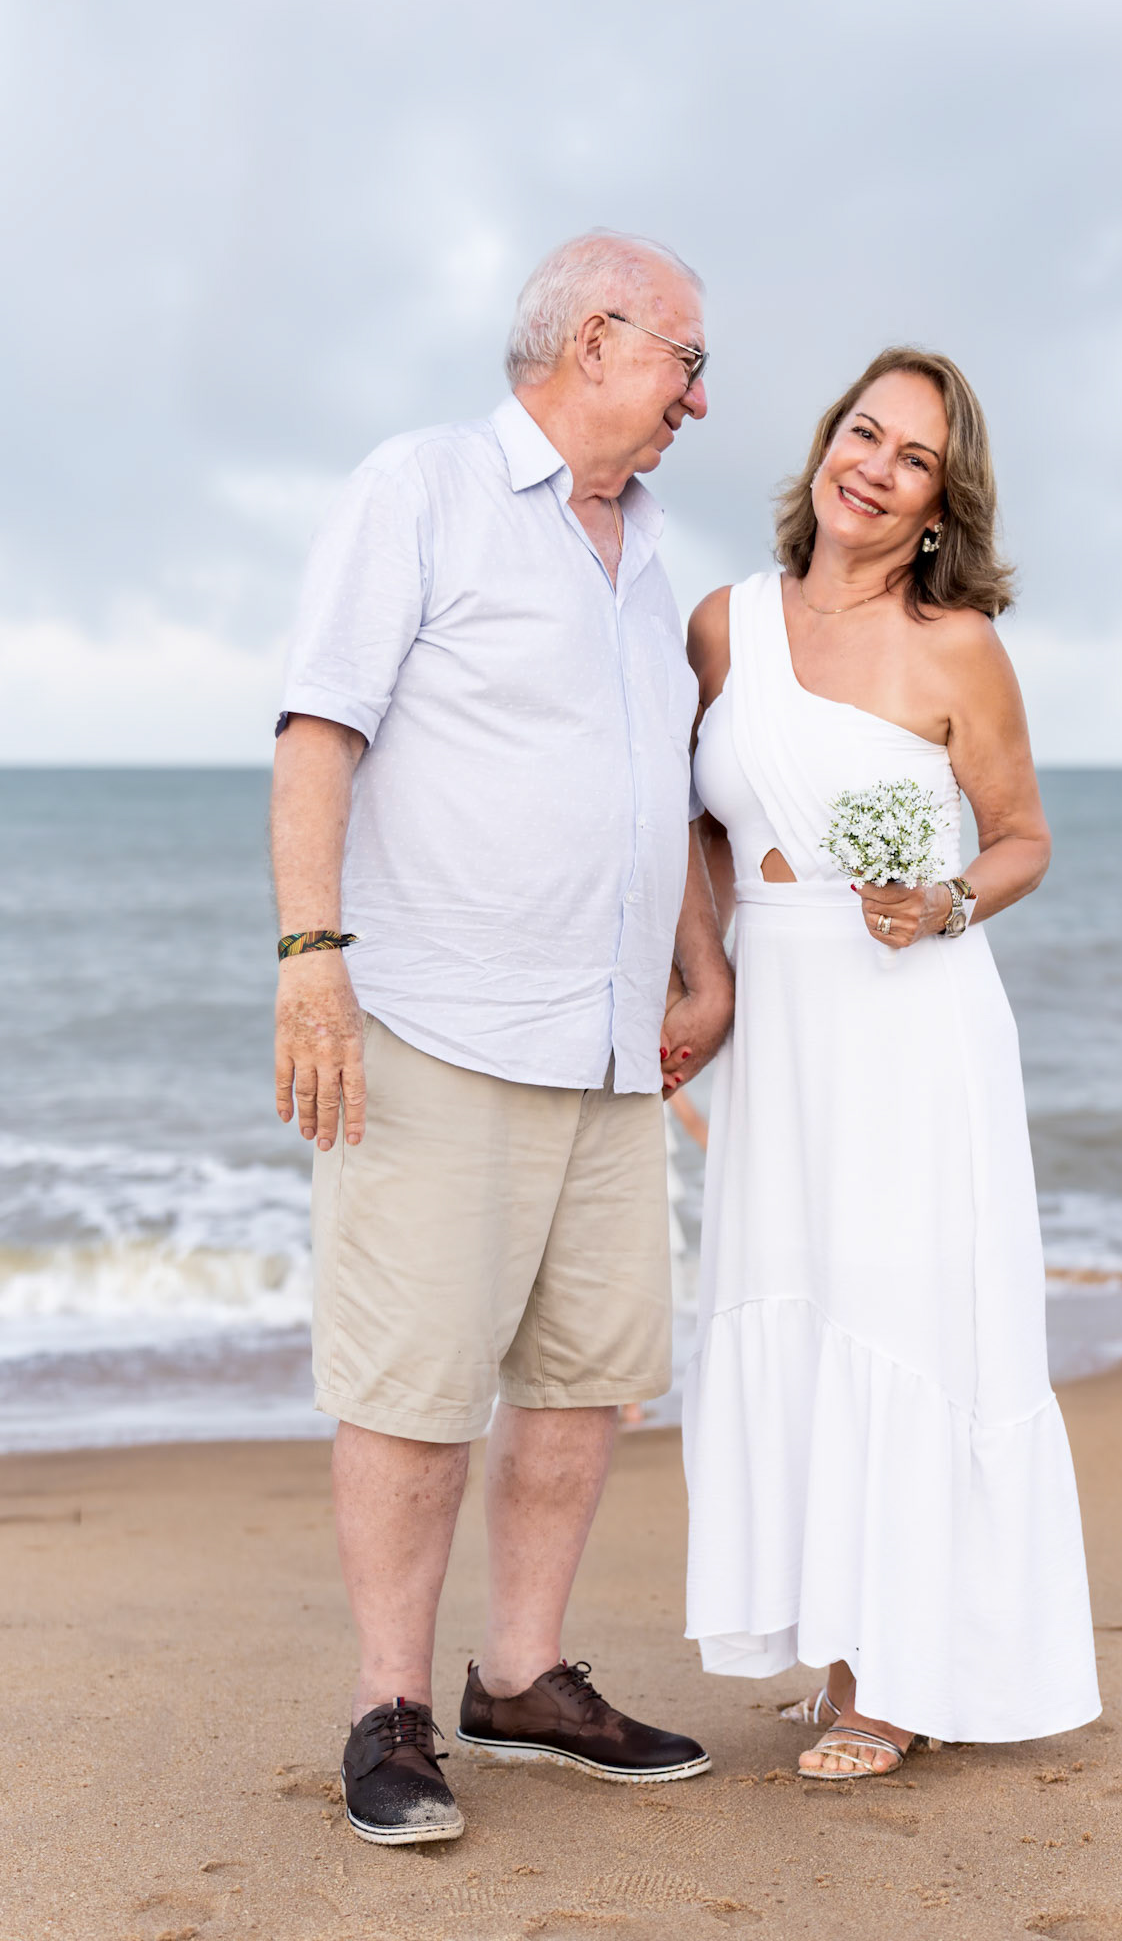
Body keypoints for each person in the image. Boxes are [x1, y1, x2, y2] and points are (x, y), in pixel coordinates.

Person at [271, 231, 734, 1845]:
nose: (696, 398)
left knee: (583, 1378)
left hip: (606, 1049)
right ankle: (388, 1708)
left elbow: (659, 793)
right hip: (441, 1022)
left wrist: (698, 969)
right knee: (413, 1385)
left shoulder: (650, 554)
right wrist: (310, 958)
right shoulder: (423, 487)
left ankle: (522, 1676)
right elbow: (319, 728)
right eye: (685, 361)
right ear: (596, 340)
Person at [682, 348, 1101, 1778]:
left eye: (913, 458)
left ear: (937, 505)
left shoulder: (956, 644)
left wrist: (946, 904)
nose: (875, 466)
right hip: (781, 1025)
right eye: (863, 433)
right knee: (798, 1306)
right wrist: (702, 974)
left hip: (912, 1022)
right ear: (824, 444)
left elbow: (1023, 837)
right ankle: (849, 1647)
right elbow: (697, 824)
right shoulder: (723, 626)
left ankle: (896, 1677)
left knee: (900, 1316)